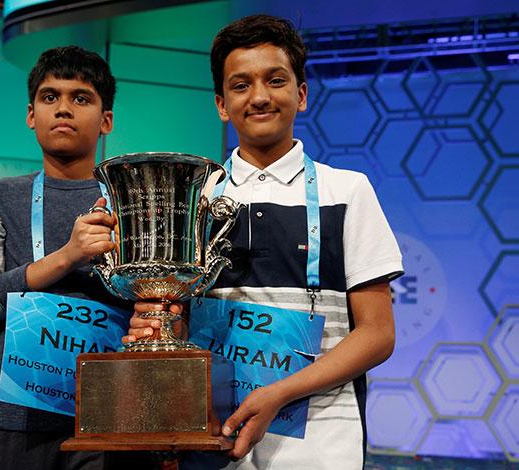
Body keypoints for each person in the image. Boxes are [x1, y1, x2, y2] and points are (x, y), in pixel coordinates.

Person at [125, 14, 403, 470]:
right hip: (211, 436)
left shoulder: (348, 191)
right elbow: (172, 313)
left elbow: (377, 333)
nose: (258, 97)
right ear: (220, 103)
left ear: (302, 93)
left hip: (321, 440)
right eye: (240, 85)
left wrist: (277, 394)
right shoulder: (194, 199)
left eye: (275, 80)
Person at [0, 45, 155, 469]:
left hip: (113, 416)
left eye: (81, 98)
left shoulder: (136, 202)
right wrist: (66, 257)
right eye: (50, 97)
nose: (64, 109)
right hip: (17, 419)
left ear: (106, 121)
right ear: (31, 115)